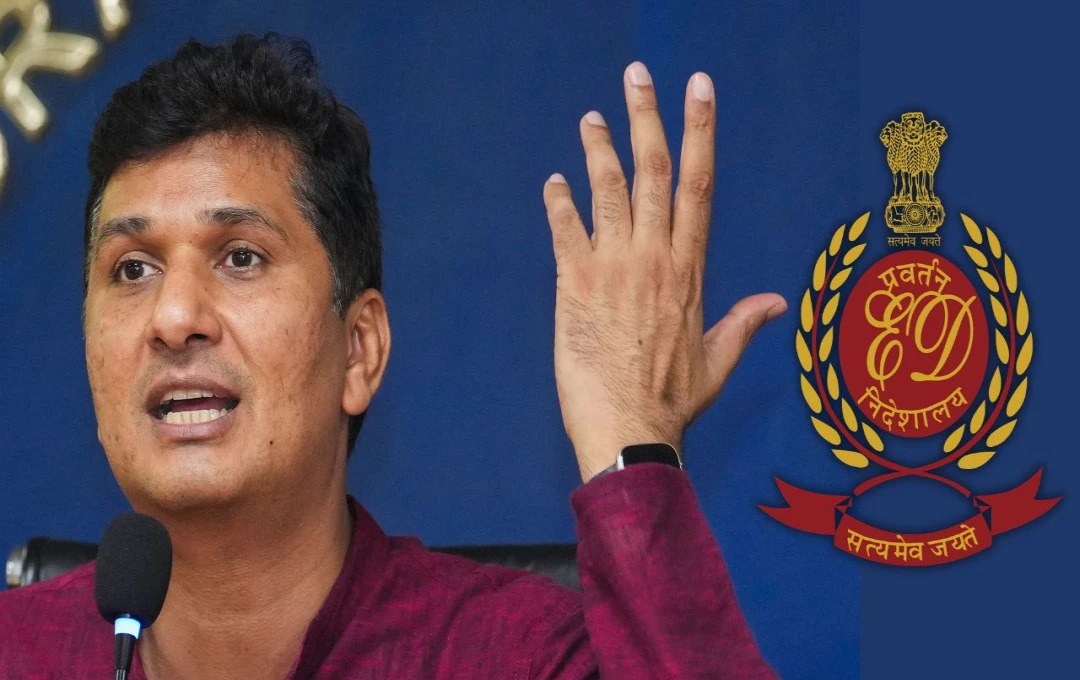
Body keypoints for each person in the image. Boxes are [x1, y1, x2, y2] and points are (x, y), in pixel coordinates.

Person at [0, 34, 784, 678]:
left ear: (360, 351)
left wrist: (631, 445)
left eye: (240, 257)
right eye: (132, 270)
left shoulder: (514, 658)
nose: (174, 318)